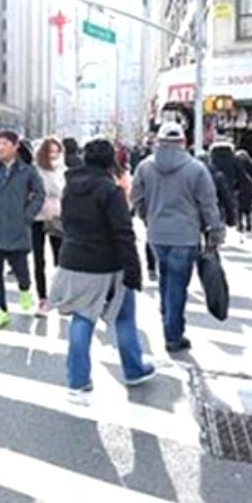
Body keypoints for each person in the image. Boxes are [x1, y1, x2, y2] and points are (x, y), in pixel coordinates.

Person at [50, 138, 156, 401]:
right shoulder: (110, 191)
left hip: (73, 260)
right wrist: (133, 269)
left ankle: (77, 380)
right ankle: (133, 369)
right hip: (107, 265)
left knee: (81, 317)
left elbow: (65, 222)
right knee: (124, 318)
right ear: (111, 162)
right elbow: (123, 234)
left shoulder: (70, 186)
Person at [130, 122, 224, 352]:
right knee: (178, 285)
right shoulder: (196, 168)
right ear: (183, 141)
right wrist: (215, 230)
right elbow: (208, 204)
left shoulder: (145, 167)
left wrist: (147, 217)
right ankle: (173, 333)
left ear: (159, 141)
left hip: (156, 235)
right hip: (186, 235)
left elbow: (136, 198)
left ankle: (167, 319)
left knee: (165, 279)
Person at [0, 130, 45, 329]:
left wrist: (27, 216)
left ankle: (25, 290)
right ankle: (0, 310)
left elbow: (40, 194)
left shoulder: (28, 170)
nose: (0, 147)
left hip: (18, 230)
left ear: (15, 146)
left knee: (21, 270)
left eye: (4, 143)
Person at [32, 137, 67, 316]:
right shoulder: (35, 169)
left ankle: (59, 295)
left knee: (59, 259)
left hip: (57, 217)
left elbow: (62, 192)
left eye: (56, 151)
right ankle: (42, 298)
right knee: (38, 259)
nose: (53, 155)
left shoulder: (63, 169)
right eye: (49, 151)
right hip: (37, 216)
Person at [235, 149, 252, 233]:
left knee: (238, 208)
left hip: (238, 187)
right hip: (249, 187)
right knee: (248, 208)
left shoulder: (236, 164)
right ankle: (249, 224)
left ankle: (239, 224)